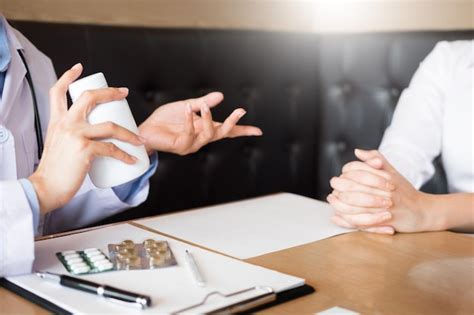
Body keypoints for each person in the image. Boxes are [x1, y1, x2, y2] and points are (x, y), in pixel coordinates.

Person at [0, 16, 262, 276]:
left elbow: (40, 217)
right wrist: (40, 190)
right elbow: (39, 194)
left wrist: (138, 143)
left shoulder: (34, 62)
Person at [327, 40, 473, 234]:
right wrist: (373, 189)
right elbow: (406, 148)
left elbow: (424, 212)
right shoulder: (450, 59)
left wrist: (427, 211)